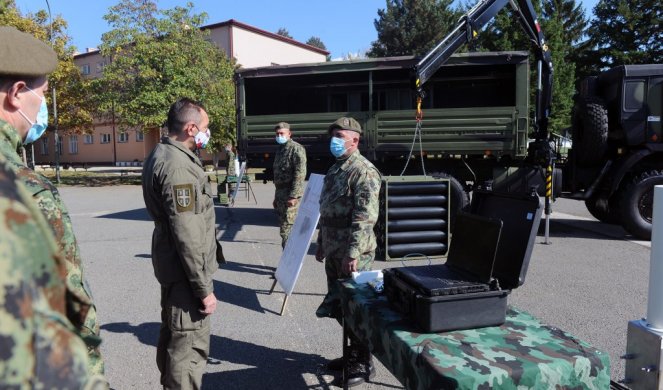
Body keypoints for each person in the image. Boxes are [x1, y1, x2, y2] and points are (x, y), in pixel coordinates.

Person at [0, 26, 106, 388]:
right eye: (42, 93)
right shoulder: (26, 191)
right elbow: (72, 318)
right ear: (16, 94)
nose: (42, 105)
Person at [142, 98, 219, 390]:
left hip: (173, 264)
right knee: (187, 346)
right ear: (190, 127)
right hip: (185, 271)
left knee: (175, 336)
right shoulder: (178, 167)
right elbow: (186, 232)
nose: (205, 134)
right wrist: (203, 288)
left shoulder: (162, 153)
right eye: (205, 128)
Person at [315, 117, 381, 387]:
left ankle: (364, 362)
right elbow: (327, 209)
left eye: (340, 135)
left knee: (356, 309)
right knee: (341, 307)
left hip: (354, 254)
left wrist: (352, 253)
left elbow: (364, 218)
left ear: (355, 140)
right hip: (334, 249)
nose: (336, 140)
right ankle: (352, 353)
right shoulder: (336, 169)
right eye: (334, 135)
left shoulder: (363, 171)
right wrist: (321, 242)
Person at [272, 121, 306, 248]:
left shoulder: (296, 149)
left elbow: (300, 174)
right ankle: (288, 262)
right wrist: (276, 198)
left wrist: (294, 196)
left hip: (290, 195)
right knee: (283, 228)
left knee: (287, 230)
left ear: (289, 134)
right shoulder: (280, 150)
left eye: (282, 133)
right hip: (281, 194)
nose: (279, 136)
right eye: (277, 134)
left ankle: (288, 264)